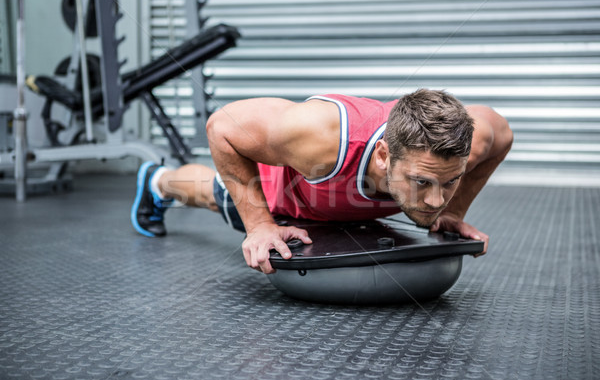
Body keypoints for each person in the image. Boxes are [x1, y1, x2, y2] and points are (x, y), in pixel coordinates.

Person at [131, 89, 513, 274]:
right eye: (421, 182)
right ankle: (157, 181)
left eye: (448, 184)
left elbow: (504, 135)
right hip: (278, 198)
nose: (433, 201)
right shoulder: (321, 138)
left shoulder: (474, 139)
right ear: (383, 155)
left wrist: (453, 210)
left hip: (345, 213)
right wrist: (260, 224)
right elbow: (221, 127)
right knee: (211, 193)